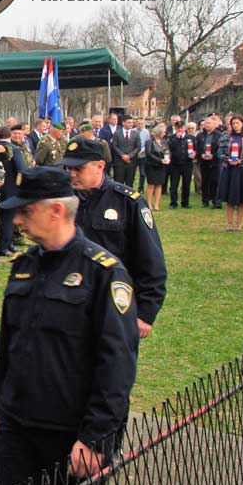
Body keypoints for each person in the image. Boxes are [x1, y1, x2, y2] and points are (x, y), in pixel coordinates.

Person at [0, 166, 138, 485]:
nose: (18, 221)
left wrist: (95, 438)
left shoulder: (103, 272)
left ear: (56, 210)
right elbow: (11, 343)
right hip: (18, 424)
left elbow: (117, 362)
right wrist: (3, 403)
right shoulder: (24, 265)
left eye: (26, 211)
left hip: (71, 432)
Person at [60, 138, 167, 340]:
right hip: (70, 301)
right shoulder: (64, 201)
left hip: (112, 302)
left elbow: (151, 259)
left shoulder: (127, 202)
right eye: (68, 168)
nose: (72, 174)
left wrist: (146, 313)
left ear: (100, 166)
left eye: (78, 168)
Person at [217, 114, 243, 232]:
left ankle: (239, 224)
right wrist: (227, 159)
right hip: (229, 169)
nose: (235, 125)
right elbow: (219, 152)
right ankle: (229, 224)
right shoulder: (226, 137)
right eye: (233, 123)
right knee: (229, 198)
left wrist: (241, 160)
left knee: (242, 198)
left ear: (242, 124)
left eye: (237, 123)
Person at [0, 125, 25, 257]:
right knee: (8, 219)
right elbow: (21, 170)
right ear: (10, 135)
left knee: (2, 219)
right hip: (11, 188)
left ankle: (9, 244)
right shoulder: (14, 149)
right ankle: (4, 247)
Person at [166, 121, 195, 208]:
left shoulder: (191, 138)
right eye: (178, 128)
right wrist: (176, 139)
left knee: (186, 184)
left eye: (181, 128)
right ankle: (173, 203)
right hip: (175, 164)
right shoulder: (171, 137)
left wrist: (194, 153)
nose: (180, 130)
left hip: (187, 163)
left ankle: (185, 203)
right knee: (174, 184)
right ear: (175, 128)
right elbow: (169, 148)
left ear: (184, 128)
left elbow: (196, 149)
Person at [195, 116, 222, 208]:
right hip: (204, 162)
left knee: (215, 181)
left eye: (209, 123)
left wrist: (213, 155)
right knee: (205, 181)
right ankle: (205, 200)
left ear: (214, 124)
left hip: (215, 162)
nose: (207, 125)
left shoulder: (219, 135)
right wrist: (201, 154)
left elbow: (221, 148)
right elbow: (197, 147)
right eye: (205, 123)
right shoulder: (200, 135)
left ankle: (216, 201)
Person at [143, 123, 169, 210]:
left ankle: (156, 204)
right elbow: (148, 153)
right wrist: (160, 160)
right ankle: (148, 204)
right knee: (151, 185)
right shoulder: (149, 142)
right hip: (152, 166)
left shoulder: (164, 142)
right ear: (159, 132)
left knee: (159, 184)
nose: (164, 134)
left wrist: (167, 158)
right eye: (163, 132)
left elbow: (167, 151)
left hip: (161, 166)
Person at [110, 115, 140, 187]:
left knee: (129, 184)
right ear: (123, 123)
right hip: (119, 162)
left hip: (131, 163)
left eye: (132, 122)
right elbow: (114, 146)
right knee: (118, 184)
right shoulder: (117, 133)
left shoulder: (136, 134)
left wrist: (129, 156)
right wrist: (122, 155)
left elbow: (138, 147)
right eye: (129, 122)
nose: (131, 124)